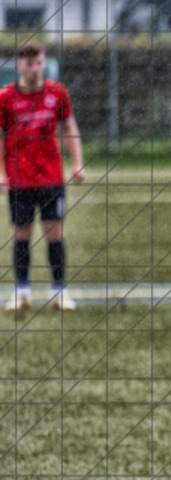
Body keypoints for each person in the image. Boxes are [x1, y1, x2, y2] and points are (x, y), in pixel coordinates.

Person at [0, 41, 84, 311]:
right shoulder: (5, 97)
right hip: (19, 179)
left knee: (55, 235)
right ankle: (22, 292)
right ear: (18, 65)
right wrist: (1, 172)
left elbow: (69, 126)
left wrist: (77, 162)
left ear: (43, 63)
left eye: (37, 62)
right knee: (22, 235)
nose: (33, 68)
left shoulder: (57, 93)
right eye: (27, 63)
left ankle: (60, 292)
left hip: (50, 178)